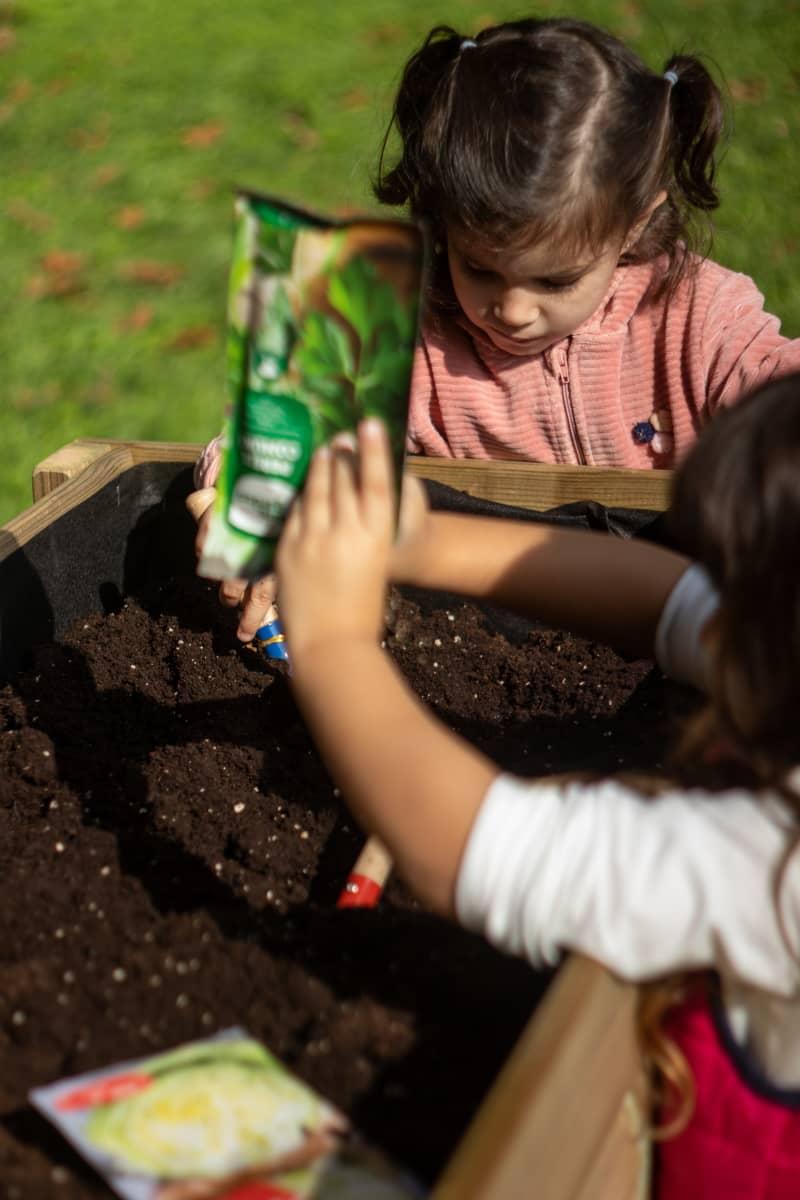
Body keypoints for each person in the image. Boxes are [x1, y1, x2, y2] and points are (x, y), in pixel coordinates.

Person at [272, 372, 800, 1198]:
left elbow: (479, 851)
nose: (718, 615)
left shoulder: (770, 866)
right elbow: (666, 601)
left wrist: (334, 639)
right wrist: (420, 546)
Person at [190, 15, 800, 637]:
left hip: (692, 629)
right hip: (474, 637)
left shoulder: (697, 316)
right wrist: (261, 493)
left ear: (637, 225)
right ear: (442, 218)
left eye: (556, 281)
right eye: (478, 267)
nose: (512, 310)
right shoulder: (404, 332)